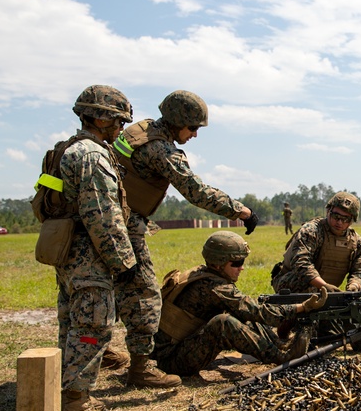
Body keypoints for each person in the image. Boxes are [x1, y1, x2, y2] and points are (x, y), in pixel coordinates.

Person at [107, 90, 259, 387]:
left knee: (110, 293)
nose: (194, 135)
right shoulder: (160, 149)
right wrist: (241, 211)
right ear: (178, 122)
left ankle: (100, 354)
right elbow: (195, 191)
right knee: (146, 295)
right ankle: (141, 368)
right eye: (193, 128)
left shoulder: (138, 131)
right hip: (124, 226)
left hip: (110, 221)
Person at [39, 84, 137, 411]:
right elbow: (103, 216)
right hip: (89, 254)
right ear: (98, 117)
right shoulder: (92, 156)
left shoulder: (66, 149)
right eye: (117, 120)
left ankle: (63, 392)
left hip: (68, 252)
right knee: (93, 325)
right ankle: (77, 405)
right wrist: (123, 261)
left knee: (71, 323)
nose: (121, 127)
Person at [151, 231, 326, 377]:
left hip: (172, 351)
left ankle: (279, 345)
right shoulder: (215, 287)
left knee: (240, 312)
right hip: (172, 361)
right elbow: (257, 312)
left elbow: (246, 310)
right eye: (237, 263)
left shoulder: (202, 273)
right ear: (219, 264)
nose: (241, 268)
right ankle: (280, 356)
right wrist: (302, 307)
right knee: (224, 323)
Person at [271, 191, 361, 342]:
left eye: (345, 219)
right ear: (328, 211)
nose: (339, 222)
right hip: (293, 284)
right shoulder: (312, 230)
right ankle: (290, 320)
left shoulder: (357, 242)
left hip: (327, 292)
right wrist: (324, 286)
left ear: (352, 220)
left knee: (334, 335)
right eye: (336, 216)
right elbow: (301, 263)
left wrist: (354, 286)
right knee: (312, 295)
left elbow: (360, 271)